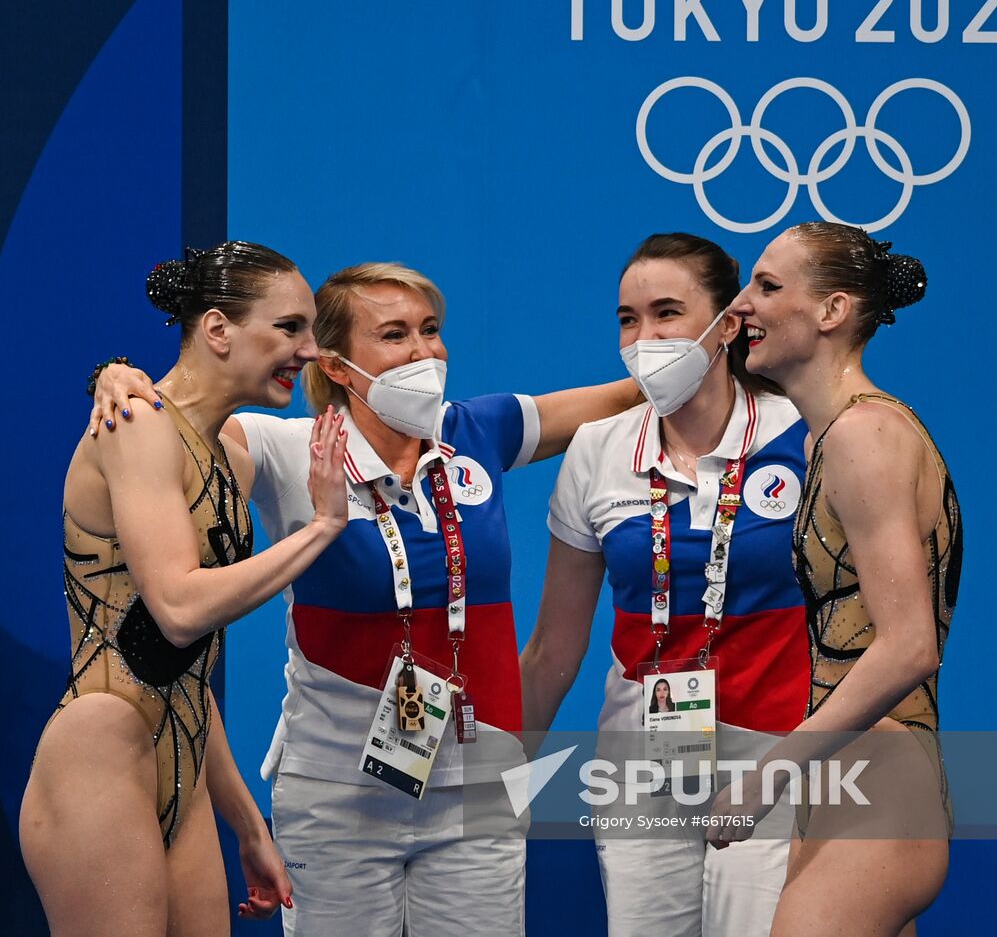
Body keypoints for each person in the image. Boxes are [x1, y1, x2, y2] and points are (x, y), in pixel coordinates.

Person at [91, 261, 640, 937]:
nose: (423, 352)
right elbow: (178, 419)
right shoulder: (287, 449)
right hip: (337, 794)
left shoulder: (478, 431)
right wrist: (116, 376)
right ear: (339, 365)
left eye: (431, 331)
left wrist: (713, 352)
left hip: (476, 787)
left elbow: (630, 396)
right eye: (394, 335)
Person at [19, 242, 351, 937]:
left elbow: (188, 668)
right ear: (218, 330)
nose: (310, 350)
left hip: (185, 758)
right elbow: (176, 609)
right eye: (289, 328)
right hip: (100, 752)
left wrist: (245, 822)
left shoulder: (230, 453)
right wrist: (321, 527)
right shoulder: (137, 423)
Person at [519, 233, 811, 937]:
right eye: (628, 318)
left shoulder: (803, 435)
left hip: (773, 756)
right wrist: (493, 776)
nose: (644, 336)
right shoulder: (598, 448)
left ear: (727, 324)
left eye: (666, 313)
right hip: (639, 763)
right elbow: (555, 647)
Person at [714, 222, 962, 937]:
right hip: (852, 779)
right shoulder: (829, 436)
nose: (741, 307)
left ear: (831, 312)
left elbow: (909, 644)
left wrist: (767, 775)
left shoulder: (864, 434)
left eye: (766, 286)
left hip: (881, 785)